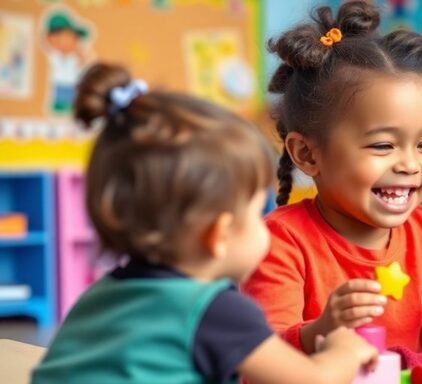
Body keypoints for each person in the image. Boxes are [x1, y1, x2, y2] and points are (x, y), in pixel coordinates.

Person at [32, 62, 377, 384]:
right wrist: (343, 351)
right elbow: (310, 380)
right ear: (221, 234)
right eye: (257, 212)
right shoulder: (214, 310)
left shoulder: (103, 294)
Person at [243, 2, 422, 382]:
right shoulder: (280, 241)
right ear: (307, 154)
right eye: (382, 146)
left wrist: (397, 369)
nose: (409, 164)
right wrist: (319, 331)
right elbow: (259, 359)